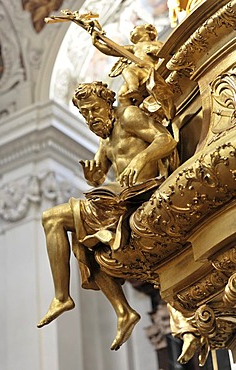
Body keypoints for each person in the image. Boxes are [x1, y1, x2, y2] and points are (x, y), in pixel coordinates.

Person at [37, 81, 178, 350]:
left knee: (52, 218)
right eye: (85, 114)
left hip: (142, 192)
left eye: (92, 110)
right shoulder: (105, 137)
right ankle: (123, 312)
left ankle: (62, 297)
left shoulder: (128, 115)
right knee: (85, 240)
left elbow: (166, 139)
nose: (90, 118)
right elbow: (100, 175)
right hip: (120, 197)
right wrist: (93, 176)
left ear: (107, 103)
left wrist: (141, 159)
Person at [91, 24, 163, 105]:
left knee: (127, 70)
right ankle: (133, 110)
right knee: (121, 94)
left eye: (135, 27)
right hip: (136, 72)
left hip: (147, 70)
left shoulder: (155, 43)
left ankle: (133, 89)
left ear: (148, 30)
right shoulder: (133, 47)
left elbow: (165, 51)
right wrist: (97, 43)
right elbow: (112, 50)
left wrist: (154, 49)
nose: (131, 31)